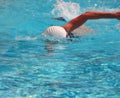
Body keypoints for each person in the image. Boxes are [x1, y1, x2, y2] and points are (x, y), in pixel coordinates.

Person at [43, 11, 120, 38]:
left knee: (88, 31)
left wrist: (114, 15)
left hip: (75, 30)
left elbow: (87, 15)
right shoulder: (64, 29)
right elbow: (86, 15)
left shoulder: (65, 29)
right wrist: (114, 15)